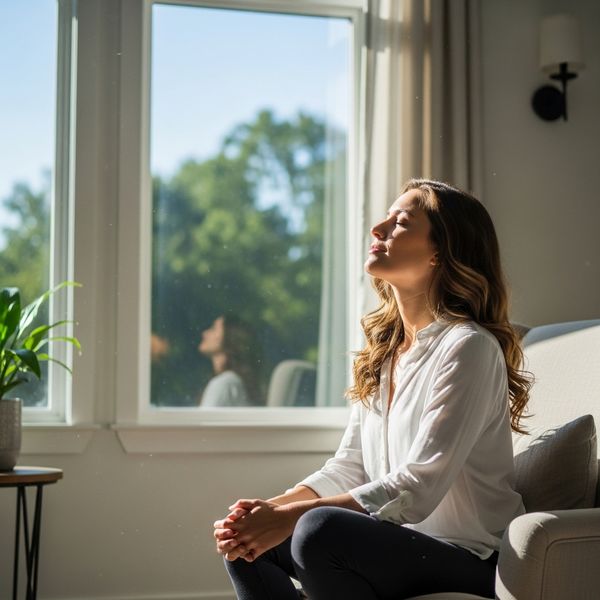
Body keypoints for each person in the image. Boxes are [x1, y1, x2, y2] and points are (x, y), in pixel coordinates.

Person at [213, 179, 532, 599]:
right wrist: (269, 512)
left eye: (400, 223)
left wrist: (290, 516)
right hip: (396, 543)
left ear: (441, 251)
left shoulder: (468, 347)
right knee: (247, 544)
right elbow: (349, 466)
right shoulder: (385, 353)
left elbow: (418, 485)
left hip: (470, 556)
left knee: (318, 529)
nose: (377, 229)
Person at [198, 315, 261, 407]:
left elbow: (204, 421)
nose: (204, 333)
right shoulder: (234, 382)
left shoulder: (224, 384)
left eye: (213, 329)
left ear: (230, 337)